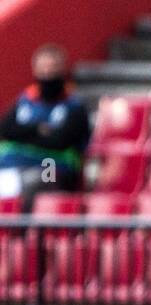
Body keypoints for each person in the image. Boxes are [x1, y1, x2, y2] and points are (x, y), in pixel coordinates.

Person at [0, 45, 91, 209]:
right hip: (12, 164)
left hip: (52, 168)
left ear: (62, 69)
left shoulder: (74, 105)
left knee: (31, 183)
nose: (47, 73)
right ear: (35, 70)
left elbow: (59, 140)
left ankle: (23, 233)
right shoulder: (24, 100)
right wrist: (38, 129)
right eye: (43, 68)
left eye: (52, 68)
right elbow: (6, 130)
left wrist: (24, 132)